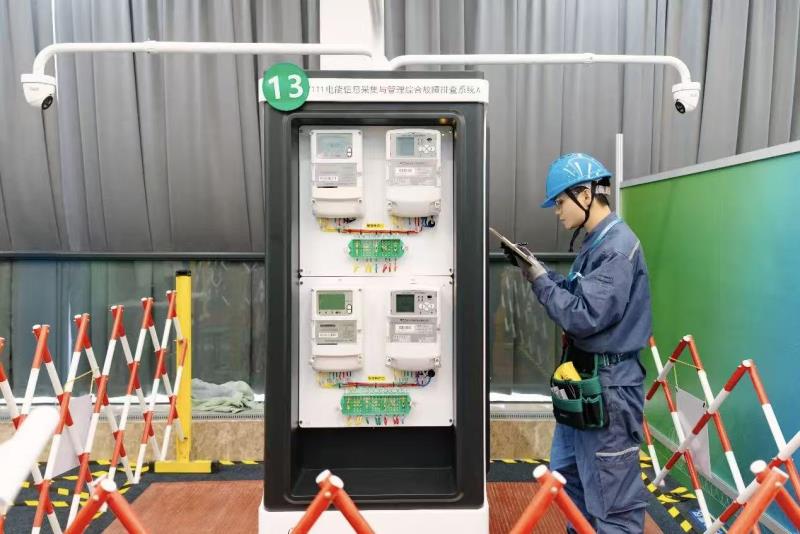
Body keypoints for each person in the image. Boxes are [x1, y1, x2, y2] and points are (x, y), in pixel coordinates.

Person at [502, 153, 652, 533]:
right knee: (571, 483)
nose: (557, 211)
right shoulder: (596, 242)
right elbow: (576, 292)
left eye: (559, 202)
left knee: (612, 502)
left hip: (609, 390)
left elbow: (583, 316)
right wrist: (537, 269)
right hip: (584, 384)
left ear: (585, 194)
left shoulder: (617, 248)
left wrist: (540, 282)